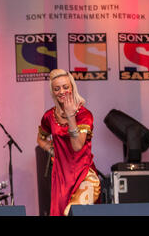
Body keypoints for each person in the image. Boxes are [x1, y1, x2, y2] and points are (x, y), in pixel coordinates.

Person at [37, 69, 100, 216]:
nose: (62, 91)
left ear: (72, 87)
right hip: (61, 179)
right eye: (57, 88)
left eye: (66, 87)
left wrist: (71, 116)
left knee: (71, 213)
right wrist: (52, 150)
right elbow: (40, 138)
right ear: (52, 92)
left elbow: (77, 146)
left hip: (84, 175)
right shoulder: (49, 116)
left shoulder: (84, 115)